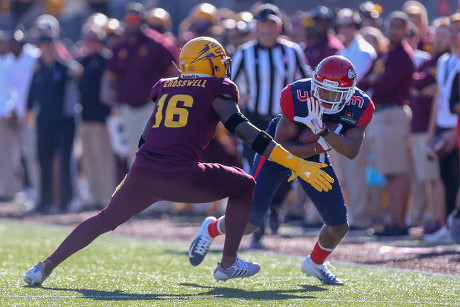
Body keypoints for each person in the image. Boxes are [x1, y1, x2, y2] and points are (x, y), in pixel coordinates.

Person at [23, 36, 333, 287]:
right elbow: (244, 131)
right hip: (182, 176)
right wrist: (293, 160)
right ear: (207, 62)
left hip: (144, 173)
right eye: (218, 60)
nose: (222, 65)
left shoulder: (166, 86)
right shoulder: (219, 88)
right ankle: (227, 264)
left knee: (104, 219)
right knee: (244, 184)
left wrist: (131, 179)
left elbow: (145, 138)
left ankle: (44, 267)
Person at [189, 55, 375, 286]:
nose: (324, 97)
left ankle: (315, 263)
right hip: (278, 153)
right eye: (321, 90)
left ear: (348, 93)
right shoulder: (297, 94)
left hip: (315, 157)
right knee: (250, 223)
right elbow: (280, 147)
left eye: (332, 93)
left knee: (338, 226)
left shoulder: (361, 104)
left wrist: (324, 134)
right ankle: (212, 227)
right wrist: (319, 143)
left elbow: (352, 151)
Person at [231, 3, 310, 247]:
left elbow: (304, 81)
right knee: (254, 172)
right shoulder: (244, 53)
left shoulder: (292, 50)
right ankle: (258, 225)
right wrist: (237, 98)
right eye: (263, 24)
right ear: (256, 27)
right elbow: (229, 84)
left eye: (272, 24)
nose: (267, 29)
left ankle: (276, 205)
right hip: (254, 120)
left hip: (284, 121)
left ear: (279, 26)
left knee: (286, 172)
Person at [101, 2, 179, 168]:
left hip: (153, 107)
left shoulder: (156, 43)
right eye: (128, 19)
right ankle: (139, 192)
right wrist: (107, 90)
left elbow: (176, 70)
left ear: (142, 21)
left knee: (154, 149)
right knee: (133, 152)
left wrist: (167, 95)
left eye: (135, 19)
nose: (131, 23)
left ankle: (158, 191)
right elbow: (111, 74)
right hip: (128, 108)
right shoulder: (120, 46)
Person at [358, 11, 414, 236]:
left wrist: (374, 81)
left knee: (397, 171)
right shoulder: (385, 54)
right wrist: (372, 80)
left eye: (399, 27)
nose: (393, 31)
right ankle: (393, 220)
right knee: (388, 172)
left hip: (393, 113)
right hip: (381, 115)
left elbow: (385, 86)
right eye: (391, 26)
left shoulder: (402, 56)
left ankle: (398, 223)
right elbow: (364, 80)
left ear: (406, 30)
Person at [335, 8, 376, 230]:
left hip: (356, 116)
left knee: (355, 169)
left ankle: (359, 217)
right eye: (341, 25)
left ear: (357, 27)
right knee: (343, 172)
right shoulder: (345, 49)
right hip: (342, 117)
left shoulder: (363, 50)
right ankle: (348, 215)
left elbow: (351, 86)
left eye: (349, 25)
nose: (345, 29)